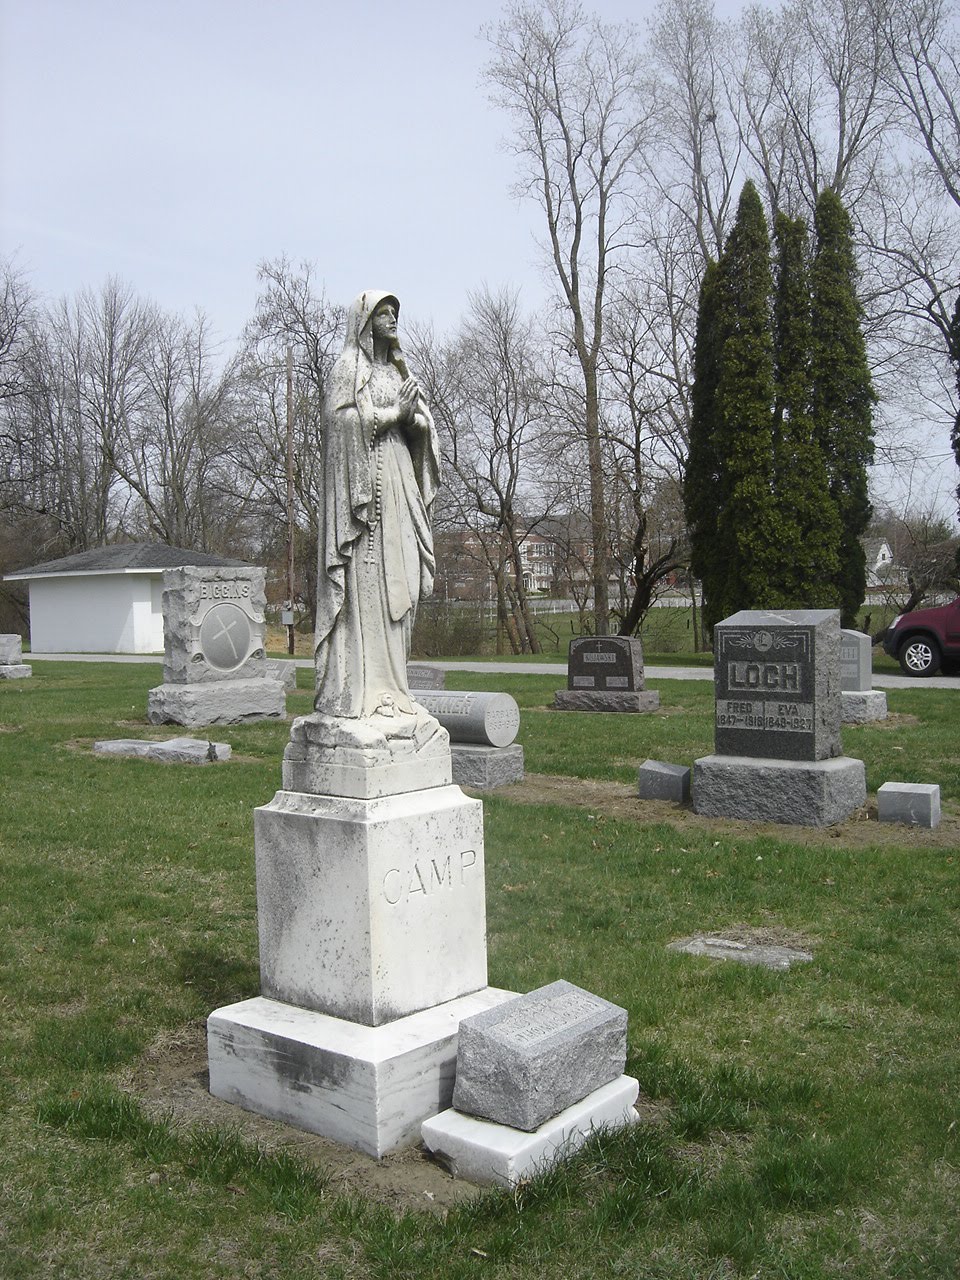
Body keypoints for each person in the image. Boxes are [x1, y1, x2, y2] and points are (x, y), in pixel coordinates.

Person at [314, 290, 441, 722]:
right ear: (365, 322)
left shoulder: (400, 371)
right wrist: (394, 416)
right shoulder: (350, 368)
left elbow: (423, 430)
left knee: (403, 581)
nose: (391, 319)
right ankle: (367, 691)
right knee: (370, 586)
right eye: (383, 312)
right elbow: (340, 423)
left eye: (395, 313)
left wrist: (416, 420)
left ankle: (397, 688)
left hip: (400, 483)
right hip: (365, 497)